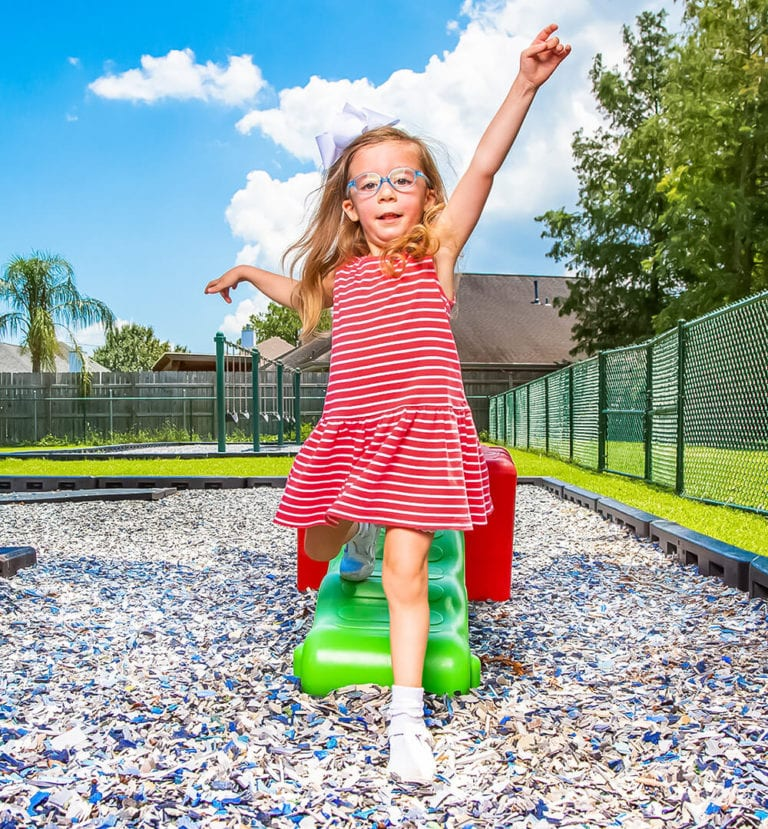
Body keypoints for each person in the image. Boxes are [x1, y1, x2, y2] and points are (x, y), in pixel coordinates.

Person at [205, 24, 571, 784]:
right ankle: (356, 534)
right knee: (318, 546)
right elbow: (294, 289)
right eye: (369, 184)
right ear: (349, 206)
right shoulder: (342, 278)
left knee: (410, 576)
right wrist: (246, 266)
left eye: (402, 180)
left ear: (426, 195)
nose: (387, 194)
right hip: (353, 434)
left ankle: (407, 722)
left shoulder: (437, 257)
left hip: (423, 437)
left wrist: (526, 85)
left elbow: (486, 166)